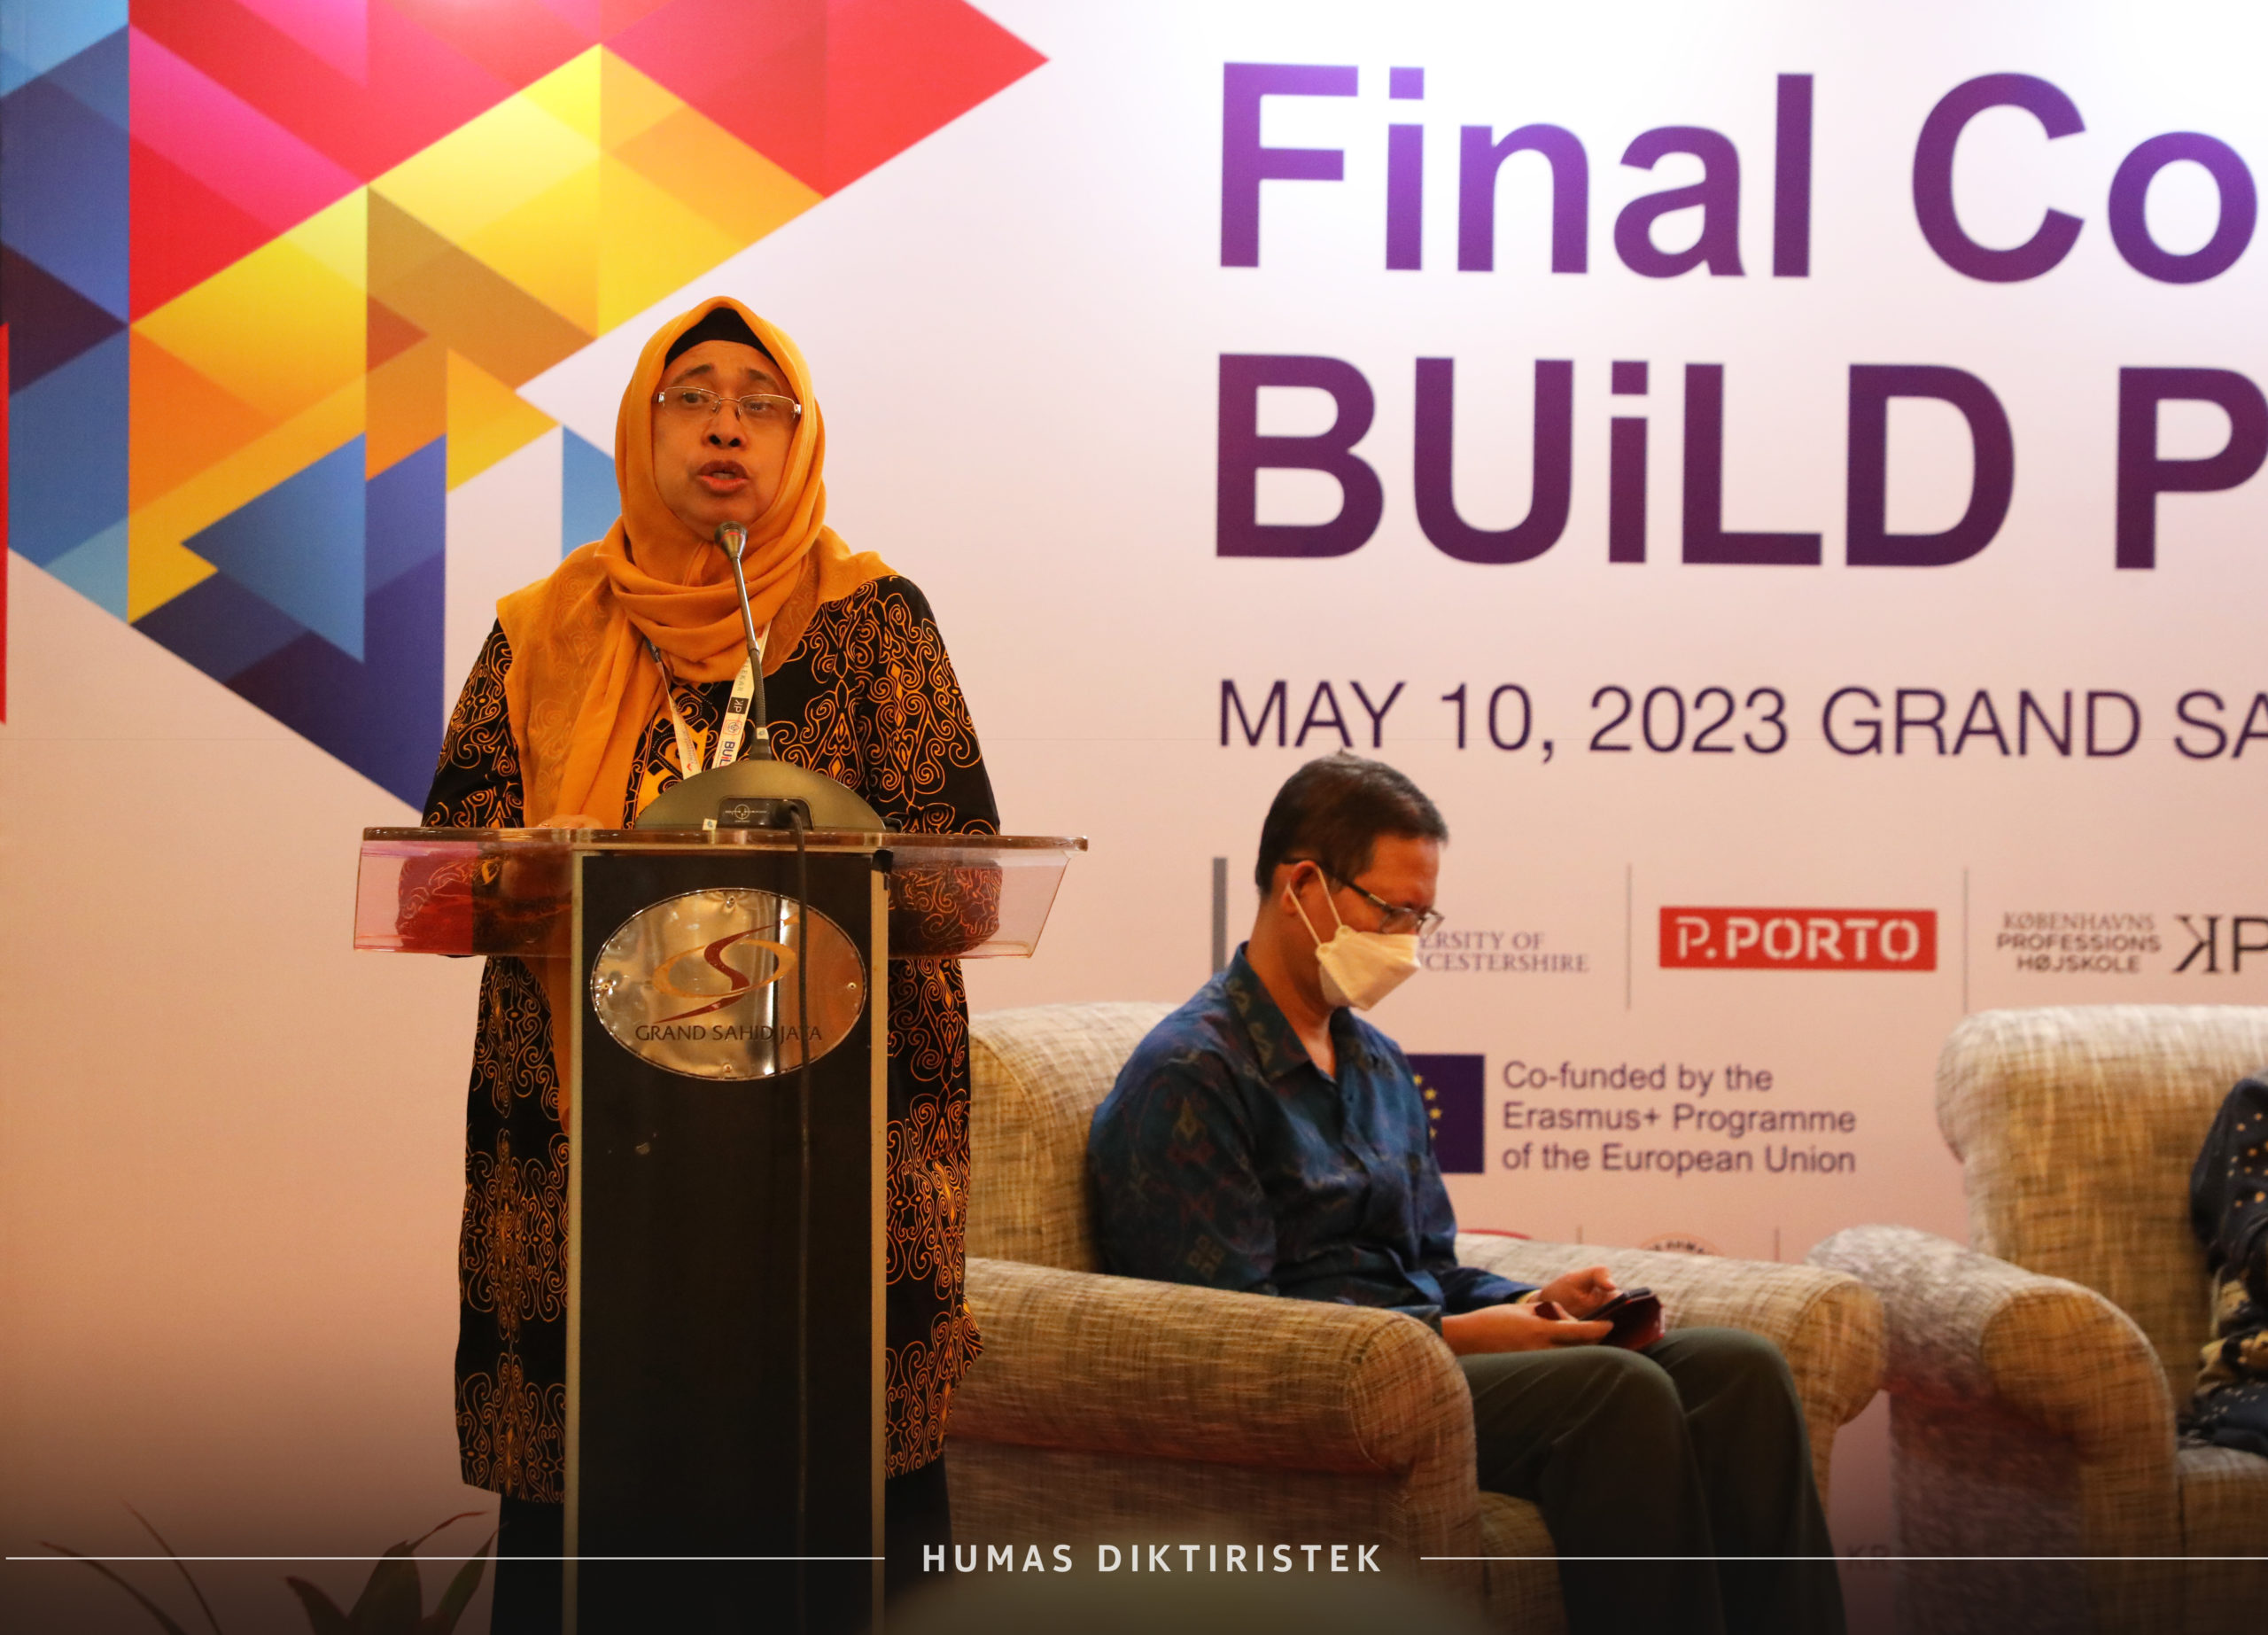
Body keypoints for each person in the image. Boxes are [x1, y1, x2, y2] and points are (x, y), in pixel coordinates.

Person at [421, 296, 996, 1625]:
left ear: (799, 440)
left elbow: (961, 874)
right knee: (593, 1504)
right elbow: (453, 871)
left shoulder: (875, 621)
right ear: (642, 426)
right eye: (692, 397)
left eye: (759, 403)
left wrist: (818, 873)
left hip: (830, 1136)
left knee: (833, 1491)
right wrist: (553, 863)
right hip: (591, 1132)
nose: (726, 426)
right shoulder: (547, 626)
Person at [1085, 753, 1843, 1635]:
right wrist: (1461, 1338)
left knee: (1740, 1372)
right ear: (1302, 887)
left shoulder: (1374, 1061)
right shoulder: (1192, 1074)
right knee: (1613, 1393)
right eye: (1390, 910)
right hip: (1325, 1395)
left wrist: (1530, 1302)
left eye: (1421, 916)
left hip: (1429, 1357)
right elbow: (1231, 1339)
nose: (1407, 939)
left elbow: (1429, 1265)